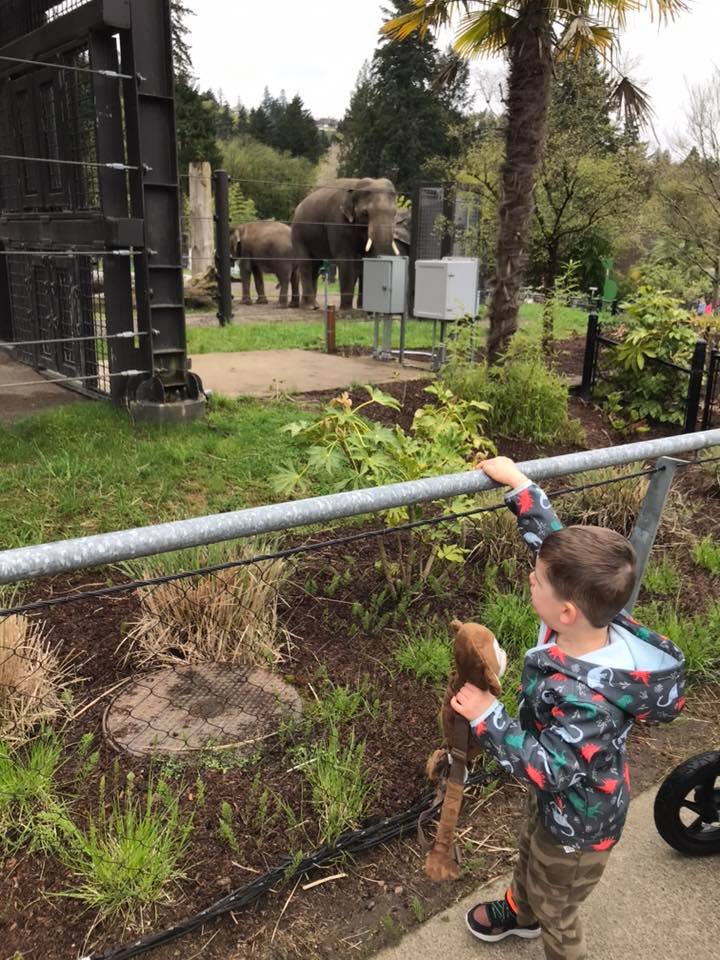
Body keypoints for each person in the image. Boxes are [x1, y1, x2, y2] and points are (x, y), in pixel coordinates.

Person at [451, 456, 686, 960]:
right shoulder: (588, 622)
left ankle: (544, 924)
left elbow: (550, 770)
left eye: (537, 580)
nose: (530, 578)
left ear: (566, 609)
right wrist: (520, 486)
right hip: (559, 805)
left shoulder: (589, 703)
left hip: (580, 826)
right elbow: (551, 542)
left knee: (557, 907)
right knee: (530, 852)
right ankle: (521, 913)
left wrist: (488, 717)